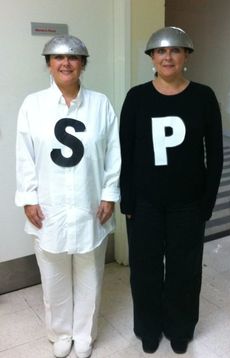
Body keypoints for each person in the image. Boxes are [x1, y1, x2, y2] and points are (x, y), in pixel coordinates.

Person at [15, 34, 121, 358]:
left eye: (73, 58)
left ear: (83, 64)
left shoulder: (100, 103)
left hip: (90, 204)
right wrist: (29, 198)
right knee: (54, 273)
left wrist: (108, 194)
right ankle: (60, 333)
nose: (65, 63)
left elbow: (112, 154)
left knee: (90, 273)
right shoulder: (33, 105)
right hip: (50, 207)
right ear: (48, 64)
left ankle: (84, 333)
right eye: (58, 58)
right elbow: (25, 156)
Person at [120, 26, 223, 355]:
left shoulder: (204, 96)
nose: (168, 56)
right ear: (152, 57)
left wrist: (207, 201)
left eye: (175, 50)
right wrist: (128, 199)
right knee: (145, 270)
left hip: (188, 204)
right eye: (161, 51)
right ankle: (148, 329)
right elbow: (126, 151)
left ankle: (180, 329)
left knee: (185, 270)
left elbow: (216, 153)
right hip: (146, 204)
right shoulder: (137, 97)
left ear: (186, 56)